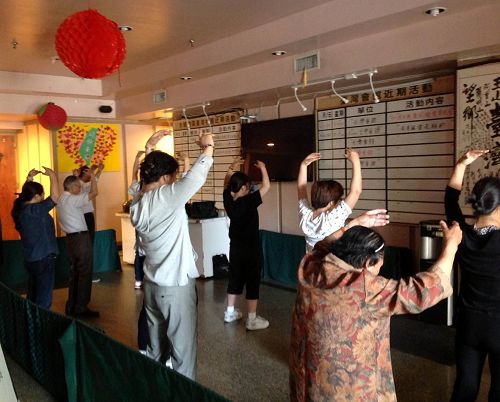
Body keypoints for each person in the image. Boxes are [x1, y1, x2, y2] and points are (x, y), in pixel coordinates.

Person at [289, 210, 462, 402]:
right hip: (347, 391)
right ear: (367, 263)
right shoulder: (363, 288)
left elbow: (324, 243)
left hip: (308, 381)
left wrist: (356, 223)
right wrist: (451, 245)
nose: (377, 272)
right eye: (378, 266)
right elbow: (424, 290)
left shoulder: (312, 265)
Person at [130, 129, 214, 380]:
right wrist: (207, 146)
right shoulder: (165, 197)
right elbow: (196, 177)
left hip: (153, 287)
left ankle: (157, 391)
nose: (175, 181)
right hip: (174, 288)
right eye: (173, 177)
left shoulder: (138, 201)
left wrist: (148, 149)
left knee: (156, 350)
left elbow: (140, 181)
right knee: (182, 355)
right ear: (166, 178)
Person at [445, 149, 500, 402]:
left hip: (469, 325)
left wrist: (462, 163)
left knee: (465, 388)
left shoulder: (460, 234)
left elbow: (450, 200)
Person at [223, 157, 271, 330]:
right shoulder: (248, 201)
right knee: (252, 281)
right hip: (251, 250)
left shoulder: (228, 200)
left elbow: (225, 186)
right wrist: (263, 168)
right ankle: (251, 319)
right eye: (248, 186)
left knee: (234, 278)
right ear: (243, 188)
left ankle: (229, 312)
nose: (250, 188)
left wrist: (230, 168)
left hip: (235, 248)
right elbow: (266, 186)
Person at [11, 167, 59, 309]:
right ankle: (41, 326)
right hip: (43, 258)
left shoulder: (21, 208)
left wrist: (29, 178)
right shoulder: (35, 211)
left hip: (32, 259)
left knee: (33, 294)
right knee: (43, 297)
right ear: (36, 197)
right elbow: (55, 197)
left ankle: (32, 323)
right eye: (42, 194)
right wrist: (52, 175)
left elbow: (23, 196)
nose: (44, 196)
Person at [297, 149, 362, 251]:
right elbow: (356, 192)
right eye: (339, 200)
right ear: (331, 202)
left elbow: (301, 189)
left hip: (311, 264)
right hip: (332, 264)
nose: (340, 202)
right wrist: (356, 161)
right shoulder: (331, 219)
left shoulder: (305, 215)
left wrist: (303, 165)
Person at [56, 169, 99, 317]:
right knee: (84, 272)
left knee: (74, 272)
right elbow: (94, 193)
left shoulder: (61, 199)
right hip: (80, 239)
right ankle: (81, 307)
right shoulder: (73, 199)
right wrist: (93, 178)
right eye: (78, 187)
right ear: (72, 187)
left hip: (70, 239)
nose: (80, 189)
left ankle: (72, 305)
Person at [76, 163, 104, 243]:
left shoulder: (79, 183)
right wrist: (98, 171)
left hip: (82, 215)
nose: (91, 175)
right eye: (89, 173)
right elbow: (94, 181)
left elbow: (94, 180)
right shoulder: (80, 185)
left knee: (86, 239)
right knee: (88, 239)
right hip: (85, 215)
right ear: (84, 173)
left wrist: (96, 170)